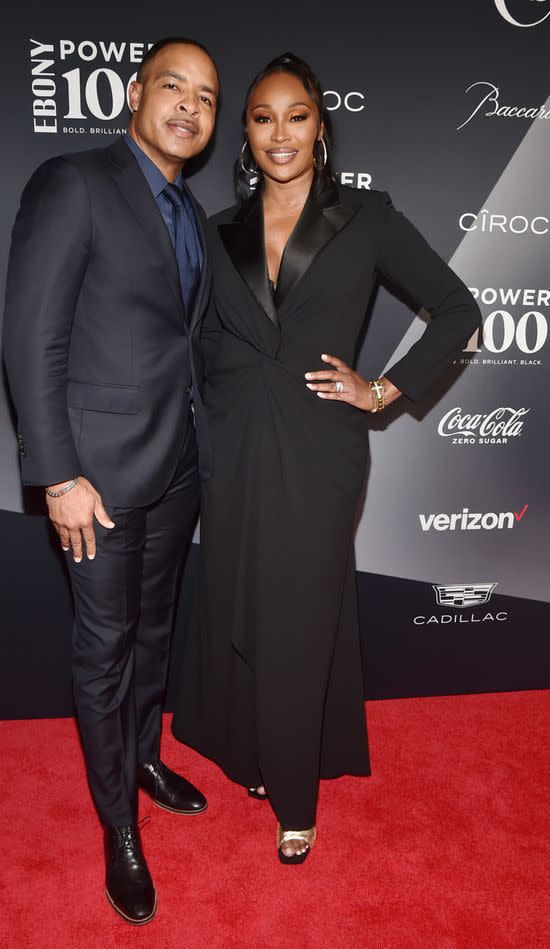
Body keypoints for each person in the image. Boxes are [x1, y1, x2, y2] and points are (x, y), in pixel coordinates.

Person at [173, 52, 481, 864]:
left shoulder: (366, 217)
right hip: (234, 445)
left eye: (297, 116)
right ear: (244, 132)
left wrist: (383, 389)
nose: (281, 133)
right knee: (243, 597)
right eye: (263, 117)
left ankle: (296, 797)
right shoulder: (215, 231)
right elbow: (197, 339)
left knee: (300, 611)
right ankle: (261, 756)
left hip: (320, 447)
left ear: (321, 127)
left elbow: (457, 310)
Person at [2, 37, 219, 924]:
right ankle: (118, 827)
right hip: (95, 479)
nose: (189, 108)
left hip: (176, 471)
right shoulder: (75, 181)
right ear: (136, 92)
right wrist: (57, 476)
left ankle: (143, 754)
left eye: (206, 97)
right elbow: (31, 339)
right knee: (106, 646)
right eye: (173, 86)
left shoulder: (192, 213)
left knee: (156, 631)